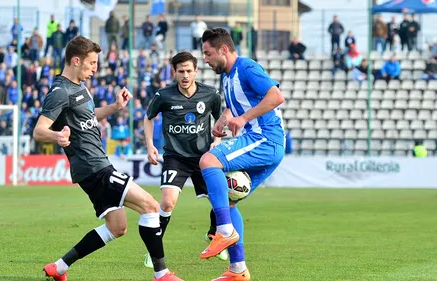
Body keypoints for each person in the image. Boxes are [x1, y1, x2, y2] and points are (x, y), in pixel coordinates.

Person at [33, 36, 183, 281]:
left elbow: (90, 116)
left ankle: (59, 267)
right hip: (94, 167)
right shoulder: (60, 92)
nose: (95, 68)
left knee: (117, 227)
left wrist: (114, 107)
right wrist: (57, 136)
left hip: (95, 167)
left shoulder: (80, 87)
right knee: (151, 206)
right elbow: (39, 130)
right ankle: (162, 274)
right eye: (92, 63)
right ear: (76, 60)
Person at [199, 28, 286, 281]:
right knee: (228, 201)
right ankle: (238, 270)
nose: (205, 59)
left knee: (208, 160)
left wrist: (244, 118)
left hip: (264, 139)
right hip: (262, 142)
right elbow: (235, 106)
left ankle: (224, 231)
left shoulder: (247, 68)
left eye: (208, 53)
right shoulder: (227, 77)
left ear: (224, 49)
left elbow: (276, 96)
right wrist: (224, 120)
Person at [143, 51, 227, 268]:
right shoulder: (164, 96)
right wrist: (150, 145)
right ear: (174, 72)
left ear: (196, 71)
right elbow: (148, 117)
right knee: (168, 202)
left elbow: (220, 118)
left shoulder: (210, 94)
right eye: (181, 71)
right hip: (175, 157)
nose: (185, 75)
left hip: (204, 158)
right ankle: (154, 251)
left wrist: (216, 143)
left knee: (222, 198)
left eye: (189, 70)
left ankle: (214, 237)